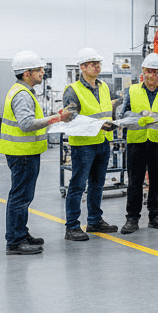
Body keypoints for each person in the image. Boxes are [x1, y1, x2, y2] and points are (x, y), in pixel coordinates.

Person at [1, 51, 75, 255]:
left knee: (24, 196)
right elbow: (26, 125)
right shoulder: (22, 95)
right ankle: (15, 241)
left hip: (25, 152)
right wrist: (57, 118)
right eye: (39, 69)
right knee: (20, 197)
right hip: (22, 153)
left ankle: (21, 233)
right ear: (27, 73)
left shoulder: (22, 90)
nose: (43, 72)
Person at [115, 53, 158, 235]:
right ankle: (132, 218)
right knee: (135, 181)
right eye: (149, 72)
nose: (153, 76)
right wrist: (139, 117)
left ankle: (155, 216)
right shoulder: (132, 90)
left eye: (157, 72)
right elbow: (123, 115)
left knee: (157, 180)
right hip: (137, 142)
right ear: (143, 71)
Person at [63, 48, 119, 241]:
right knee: (78, 185)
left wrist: (112, 122)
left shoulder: (104, 87)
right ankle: (72, 227)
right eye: (92, 63)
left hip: (103, 141)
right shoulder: (72, 90)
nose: (97, 66)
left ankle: (95, 221)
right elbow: (71, 117)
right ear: (82, 67)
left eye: (98, 63)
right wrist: (98, 124)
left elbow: (106, 110)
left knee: (97, 184)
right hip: (83, 144)